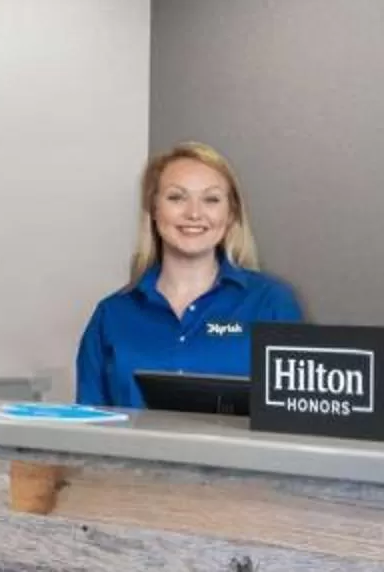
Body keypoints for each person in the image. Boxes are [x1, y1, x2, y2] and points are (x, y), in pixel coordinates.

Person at [74, 142, 302, 407]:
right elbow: (88, 431)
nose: (194, 213)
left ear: (230, 215)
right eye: (176, 197)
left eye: (211, 199)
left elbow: (295, 422)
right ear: (154, 210)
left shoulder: (271, 304)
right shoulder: (111, 316)